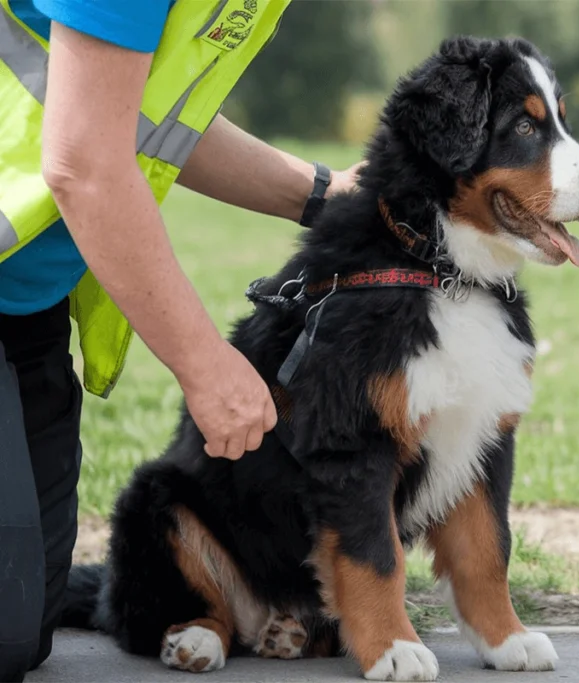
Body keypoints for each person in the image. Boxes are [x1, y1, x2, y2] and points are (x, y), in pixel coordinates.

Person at [0, 2, 364, 680]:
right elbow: (85, 164)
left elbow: (143, 108)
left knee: (30, 612)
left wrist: (322, 194)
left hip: (22, 314)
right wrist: (205, 365)